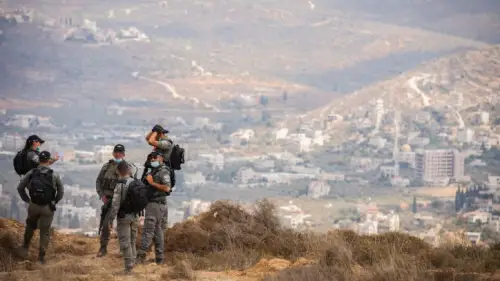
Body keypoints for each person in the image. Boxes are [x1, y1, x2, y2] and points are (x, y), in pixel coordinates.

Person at [16, 151, 64, 264]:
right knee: (45, 231)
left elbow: (20, 187)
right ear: (48, 160)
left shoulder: (32, 172)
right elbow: (61, 190)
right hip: (48, 207)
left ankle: (25, 248)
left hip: (33, 205)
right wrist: (55, 201)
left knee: (30, 226)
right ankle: (41, 258)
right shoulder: (54, 174)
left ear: (39, 160)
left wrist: (27, 200)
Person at [95, 144, 137, 257]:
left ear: (123, 154)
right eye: (116, 152)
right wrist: (101, 195)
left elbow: (132, 184)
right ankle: (103, 248)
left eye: (120, 152)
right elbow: (98, 182)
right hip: (109, 201)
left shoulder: (128, 167)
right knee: (106, 225)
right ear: (113, 153)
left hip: (123, 201)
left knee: (123, 227)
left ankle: (125, 250)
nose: (118, 154)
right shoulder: (106, 166)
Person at [136, 152, 171, 264]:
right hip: (153, 203)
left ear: (161, 158)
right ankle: (160, 259)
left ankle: (140, 257)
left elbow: (166, 188)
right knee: (157, 231)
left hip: (156, 204)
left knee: (148, 230)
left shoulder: (163, 171)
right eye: (151, 158)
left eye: (155, 158)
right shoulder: (154, 171)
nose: (153, 160)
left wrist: (152, 183)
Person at [107, 161, 138, 274]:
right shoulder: (135, 182)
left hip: (124, 217)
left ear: (118, 171)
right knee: (133, 241)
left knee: (125, 242)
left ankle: (128, 269)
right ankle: (133, 263)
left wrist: (111, 219)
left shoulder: (120, 184)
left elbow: (115, 204)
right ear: (129, 170)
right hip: (135, 216)